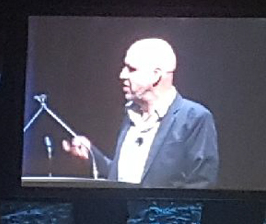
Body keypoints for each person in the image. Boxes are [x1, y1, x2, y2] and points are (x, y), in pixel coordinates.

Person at [63, 37, 219, 188]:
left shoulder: (194, 118)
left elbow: (201, 185)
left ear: (156, 75)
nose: (122, 75)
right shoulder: (129, 115)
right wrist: (92, 157)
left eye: (131, 69)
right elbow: (123, 179)